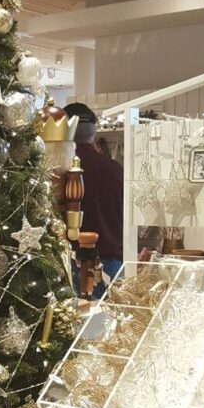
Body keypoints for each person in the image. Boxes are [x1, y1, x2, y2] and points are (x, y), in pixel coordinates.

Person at [64, 102, 124, 297]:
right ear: (95, 133)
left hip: (69, 261)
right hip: (110, 263)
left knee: (70, 324)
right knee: (111, 323)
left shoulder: (57, 172)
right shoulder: (115, 170)